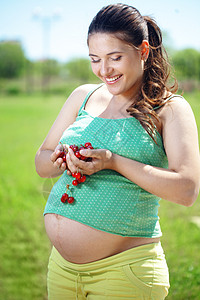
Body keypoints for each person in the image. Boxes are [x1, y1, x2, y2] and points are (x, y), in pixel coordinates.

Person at [35, 3, 200, 299]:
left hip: (125, 274)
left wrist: (113, 162)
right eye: (95, 59)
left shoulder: (170, 108)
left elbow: (187, 190)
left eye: (115, 58)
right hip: (61, 270)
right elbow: (41, 162)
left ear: (144, 51)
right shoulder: (82, 96)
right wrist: (59, 158)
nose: (104, 70)